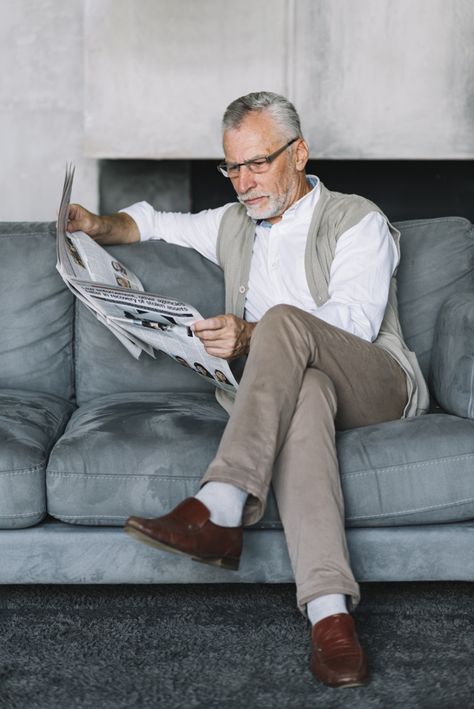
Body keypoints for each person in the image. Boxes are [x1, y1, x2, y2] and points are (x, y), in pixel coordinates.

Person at [66, 91, 429, 688]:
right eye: (231, 167)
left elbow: (355, 325)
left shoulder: (355, 218)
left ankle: (220, 502)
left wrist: (252, 335)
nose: (242, 181)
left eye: (257, 162)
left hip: (376, 382)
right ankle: (329, 616)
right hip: (297, 392)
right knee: (305, 393)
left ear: (300, 153)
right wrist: (99, 226)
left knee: (285, 322)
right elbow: (156, 222)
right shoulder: (237, 223)